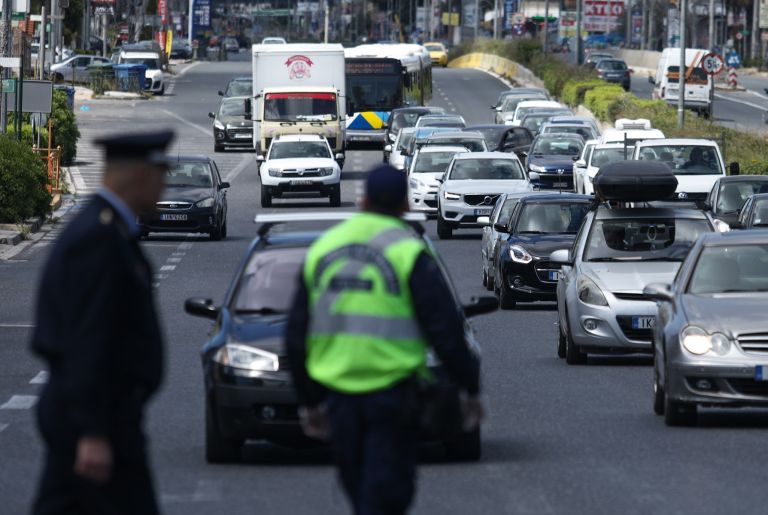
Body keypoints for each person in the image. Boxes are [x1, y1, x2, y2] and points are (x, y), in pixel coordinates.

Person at [285, 164, 484, 515]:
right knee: (387, 492)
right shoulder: (409, 252)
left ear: (363, 201)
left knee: (360, 489)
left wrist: (308, 401)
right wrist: (469, 388)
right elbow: (445, 329)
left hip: (338, 395)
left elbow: (296, 334)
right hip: (393, 395)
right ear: (405, 204)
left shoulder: (323, 248)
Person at [30, 130, 174, 515]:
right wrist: (92, 431)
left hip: (105, 417)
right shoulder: (98, 238)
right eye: (161, 174)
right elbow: (85, 340)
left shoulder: (110, 230)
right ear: (140, 175)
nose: (164, 186)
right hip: (96, 420)